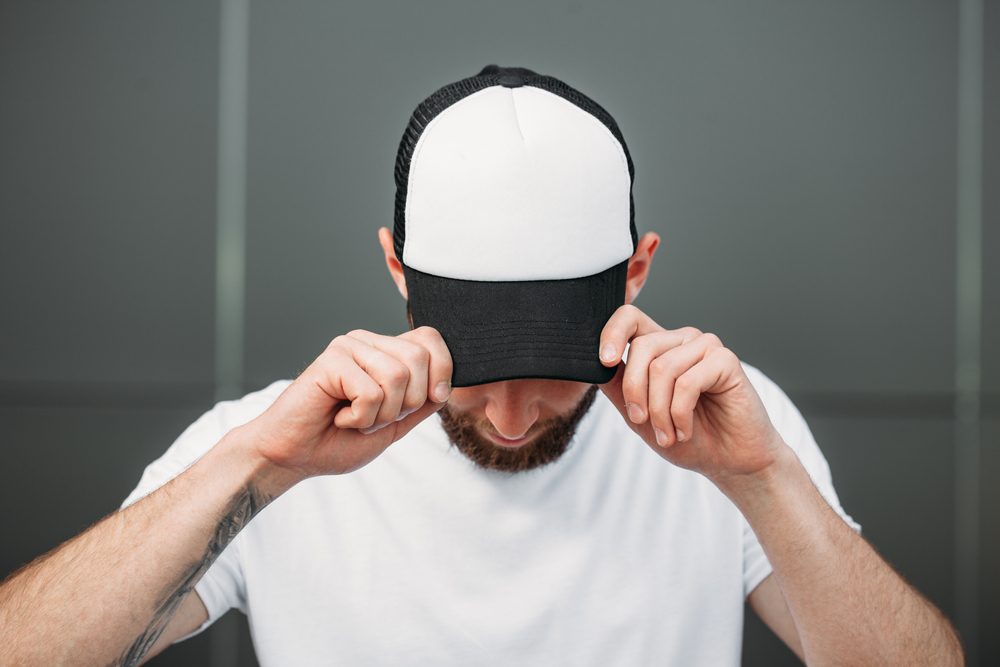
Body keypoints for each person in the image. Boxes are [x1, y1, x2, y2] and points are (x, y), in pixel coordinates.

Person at [0, 65, 962, 667]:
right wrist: (260, 465)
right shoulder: (258, 446)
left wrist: (762, 479)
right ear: (395, 270)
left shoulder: (727, 439)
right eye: (478, 361)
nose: (507, 415)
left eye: (547, 362)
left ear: (635, 275)